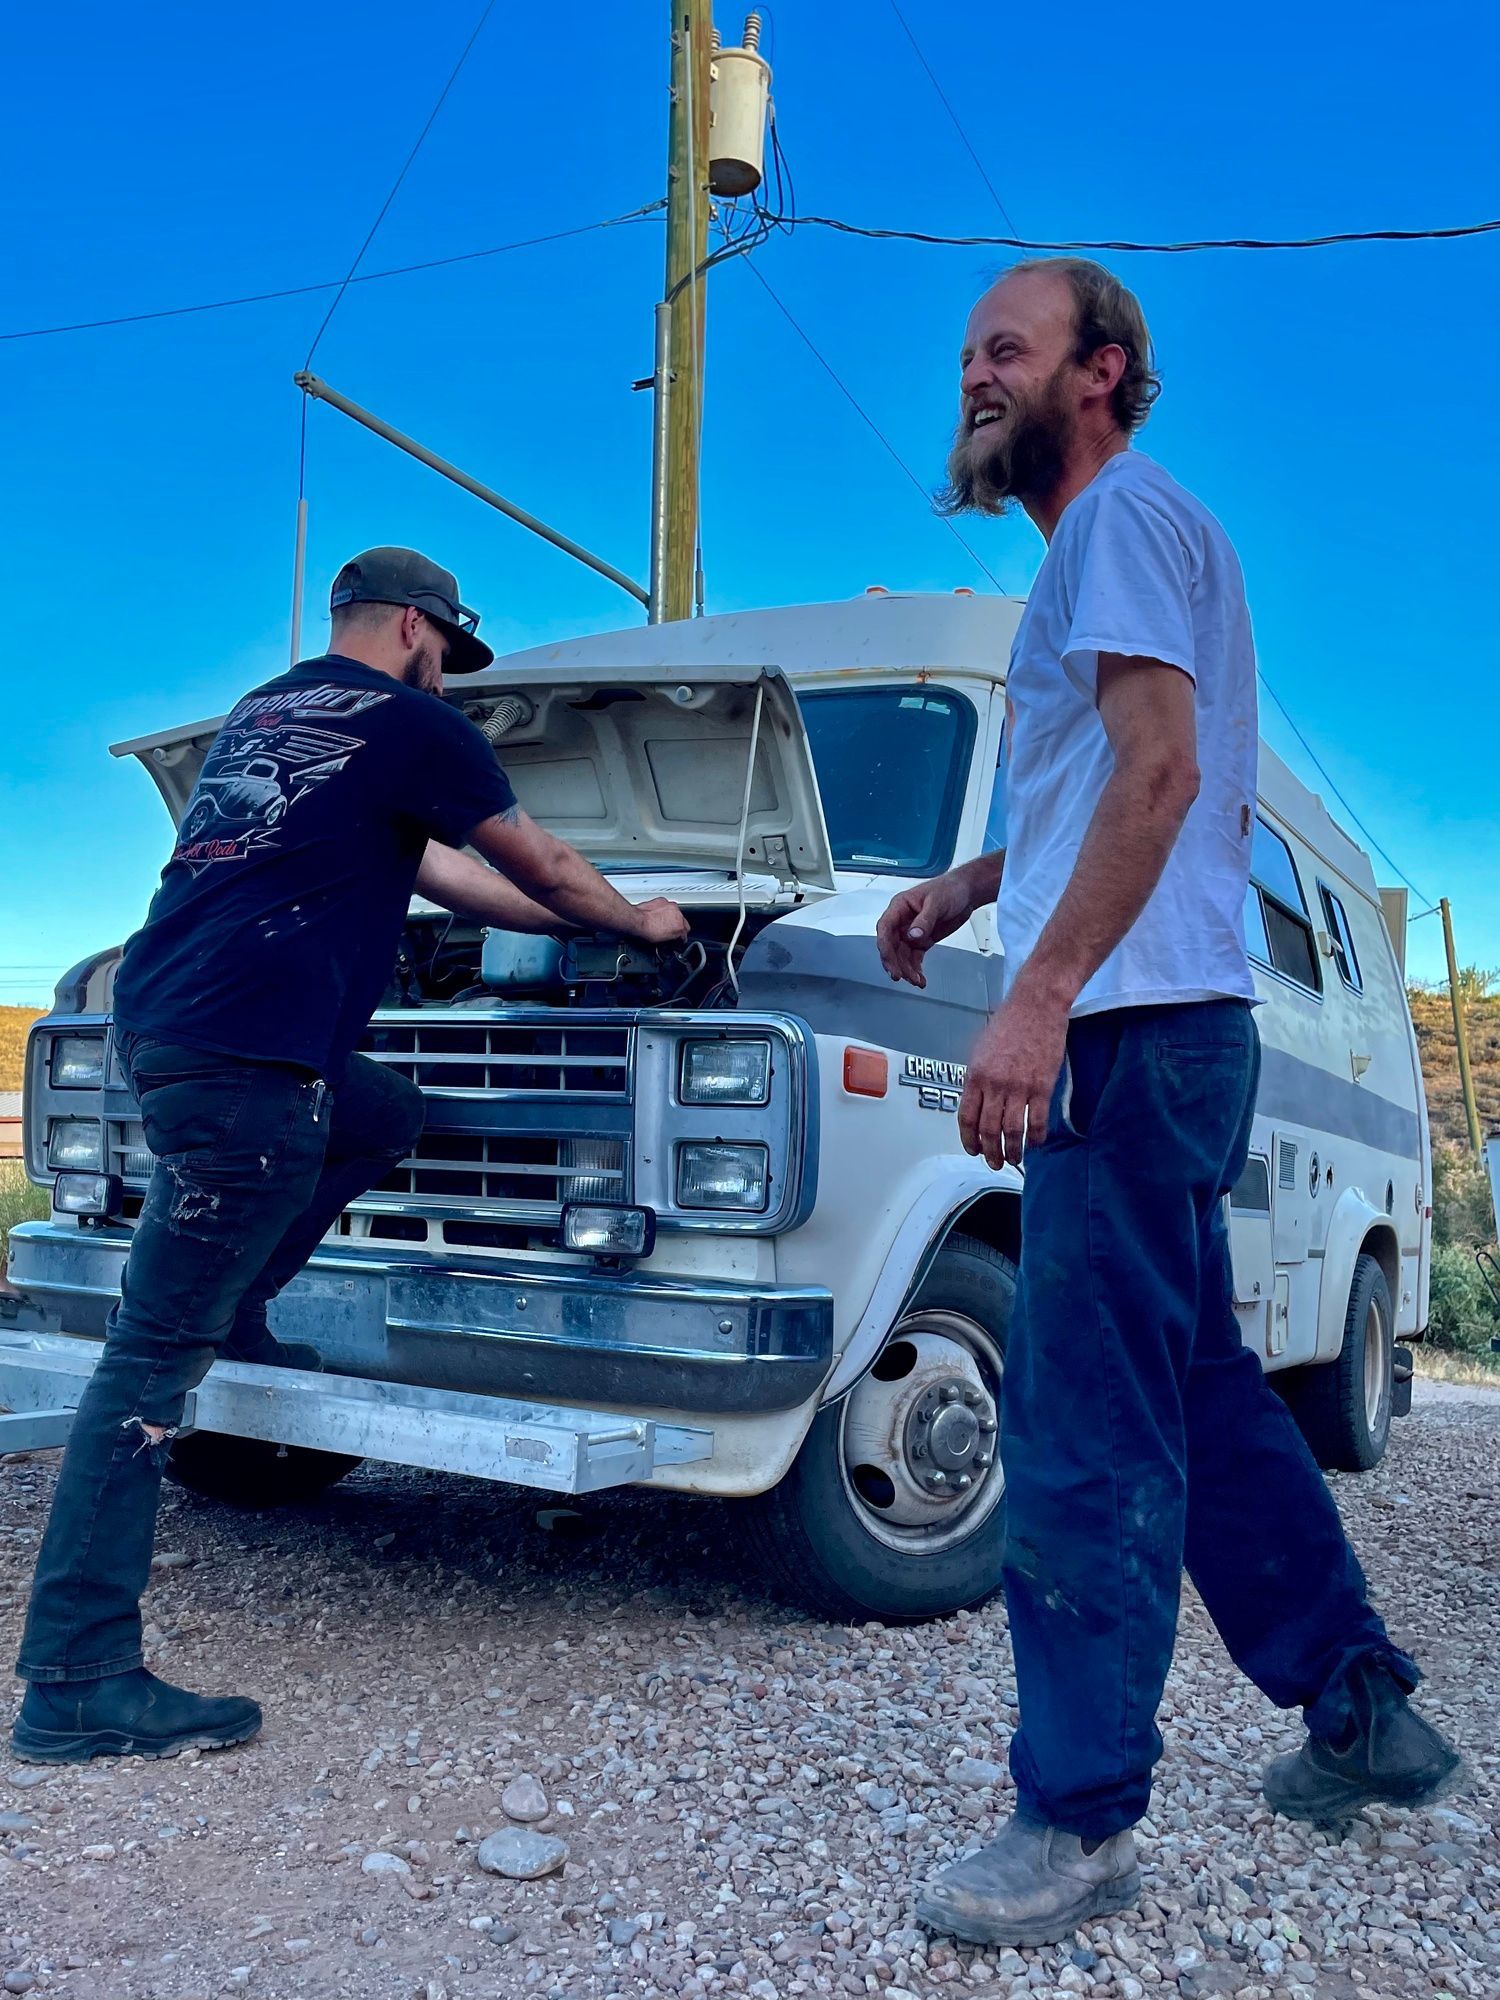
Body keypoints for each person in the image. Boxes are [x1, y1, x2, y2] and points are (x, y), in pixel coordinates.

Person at [872, 264, 1462, 1947]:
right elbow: (1118, 788)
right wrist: (971, 884)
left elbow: (1162, 773)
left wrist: (1037, 1000)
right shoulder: (1122, 544)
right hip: (1176, 1025)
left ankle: (1077, 1821)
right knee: (1196, 1389)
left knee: (1084, 1425)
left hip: (1128, 1037)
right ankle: (1362, 1716)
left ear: (1103, 371)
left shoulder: (1117, 522)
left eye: (1009, 349)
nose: (976, 376)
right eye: (968, 354)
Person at [12, 546, 689, 1765]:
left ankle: (243, 1310)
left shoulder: (268, 717)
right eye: (448, 653)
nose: (448, 675)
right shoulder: (408, 721)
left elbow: (465, 883)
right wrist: (639, 920)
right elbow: (538, 861)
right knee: (141, 1368)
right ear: (418, 630)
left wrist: (571, 925)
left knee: (379, 1111)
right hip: (248, 1059)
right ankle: (76, 1672)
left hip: (166, 1026)